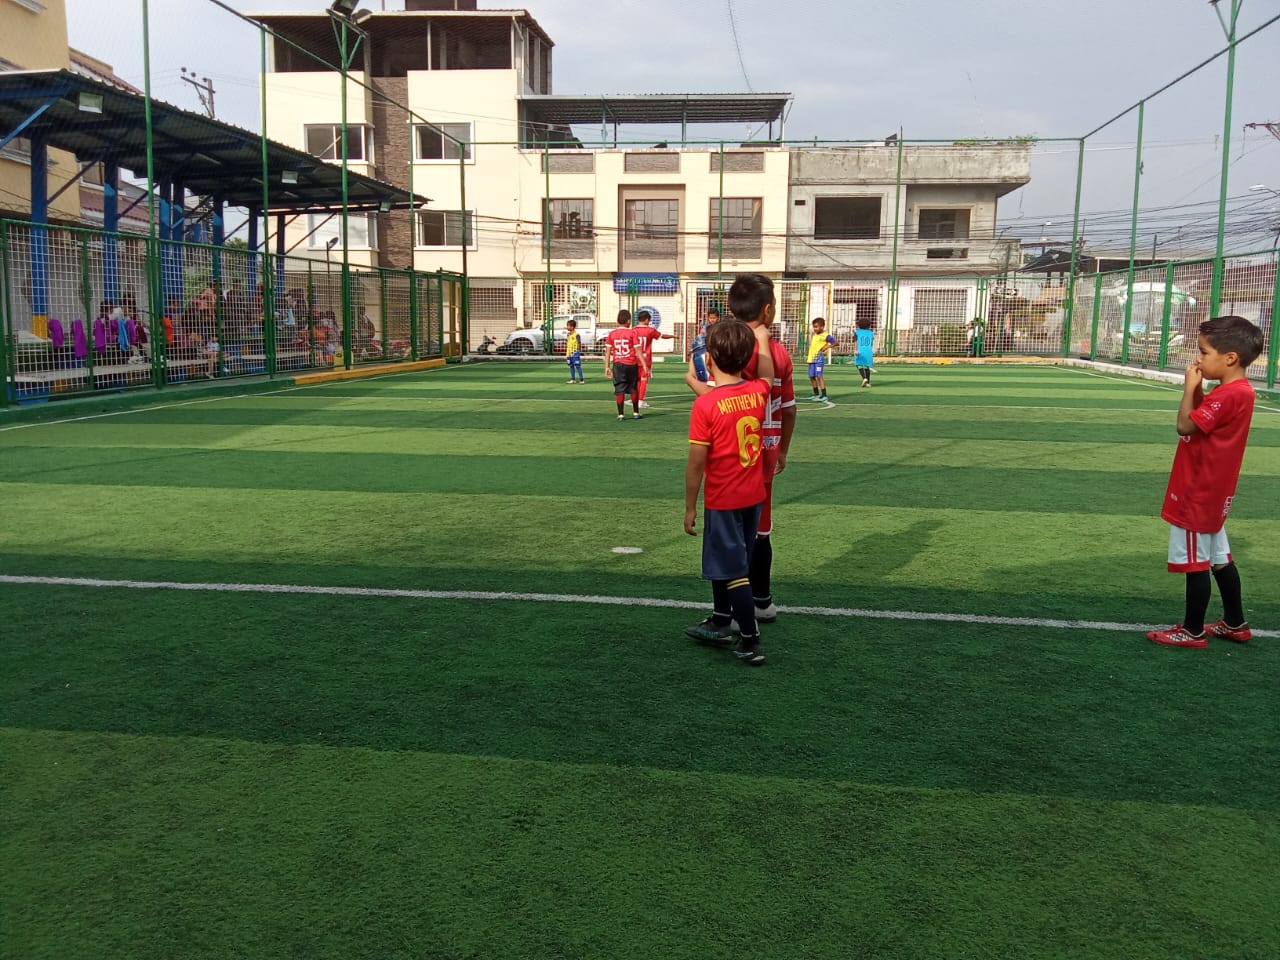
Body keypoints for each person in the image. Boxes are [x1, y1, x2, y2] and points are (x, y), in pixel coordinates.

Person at [1147, 315, 1264, 649]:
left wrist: (1189, 388)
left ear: (1230, 358)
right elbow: (1202, 419)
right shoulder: (1238, 392)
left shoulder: (1229, 395)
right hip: (1215, 490)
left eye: (1203, 352)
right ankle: (1235, 622)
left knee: (1195, 562)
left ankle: (1192, 630)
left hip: (1198, 491)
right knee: (1219, 558)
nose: (1198, 359)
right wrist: (1199, 390)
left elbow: (1185, 425)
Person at [686, 274, 796, 627]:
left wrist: (693, 381)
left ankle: (725, 615)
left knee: (724, 536)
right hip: (765, 452)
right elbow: (789, 408)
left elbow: (720, 400)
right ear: (768, 310)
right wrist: (782, 450)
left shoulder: (726, 347)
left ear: (731, 310)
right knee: (760, 529)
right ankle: (762, 600)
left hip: (731, 459)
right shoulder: (778, 353)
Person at [683, 319, 775, 666]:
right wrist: (762, 339)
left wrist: (690, 507)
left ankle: (750, 639)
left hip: (723, 499)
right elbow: (765, 376)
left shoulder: (705, 407)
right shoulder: (757, 392)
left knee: (735, 570)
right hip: (753, 496)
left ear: (708, 360)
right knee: (729, 561)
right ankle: (721, 620)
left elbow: (696, 464)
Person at [604, 309, 647, 421]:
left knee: (619, 388)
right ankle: (636, 413)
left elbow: (608, 351)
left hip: (618, 364)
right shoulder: (633, 333)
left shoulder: (612, 334)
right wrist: (644, 364)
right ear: (628, 321)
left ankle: (621, 415)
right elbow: (638, 350)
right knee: (633, 388)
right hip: (631, 364)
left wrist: (607, 366)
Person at [632, 309, 674, 407]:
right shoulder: (650, 330)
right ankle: (640, 401)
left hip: (635, 358)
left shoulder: (633, 330)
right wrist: (673, 336)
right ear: (647, 320)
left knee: (637, 379)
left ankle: (636, 399)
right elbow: (662, 336)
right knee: (644, 379)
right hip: (646, 358)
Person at [805, 316, 836, 401]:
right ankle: (816, 394)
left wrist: (826, 347)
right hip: (811, 359)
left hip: (818, 359)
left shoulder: (825, 335)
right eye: (814, 327)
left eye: (816, 327)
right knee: (811, 376)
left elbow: (835, 343)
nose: (815, 329)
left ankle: (824, 395)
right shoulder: (815, 334)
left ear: (822, 327)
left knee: (819, 376)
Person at [690, 306, 719, 383]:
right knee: (708, 366)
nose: (712, 320)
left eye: (714, 318)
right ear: (708, 318)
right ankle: (709, 379)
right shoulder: (706, 328)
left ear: (718, 318)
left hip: (717, 351)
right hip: (708, 351)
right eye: (710, 318)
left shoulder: (720, 327)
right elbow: (701, 338)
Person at [854, 315, 875, 387]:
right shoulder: (871, 333)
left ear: (859, 325)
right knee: (867, 366)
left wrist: (855, 350)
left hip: (860, 351)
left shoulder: (857, 332)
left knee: (859, 365)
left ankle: (864, 378)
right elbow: (871, 343)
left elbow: (856, 342)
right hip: (868, 351)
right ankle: (868, 382)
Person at [564, 318, 586, 383]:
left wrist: (578, 351)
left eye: (568, 326)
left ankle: (581, 380)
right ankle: (573, 379)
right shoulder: (568, 334)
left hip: (575, 352)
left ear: (572, 327)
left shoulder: (577, 335)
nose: (567, 327)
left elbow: (579, 343)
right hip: (569, 353)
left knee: (578, 366)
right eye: (567, 325)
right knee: (571, 366)